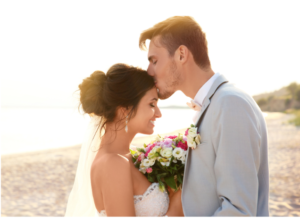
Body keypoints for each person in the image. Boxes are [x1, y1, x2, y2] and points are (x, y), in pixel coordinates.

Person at [139, 16, 269, 216]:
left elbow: (238, 211)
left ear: (181, 54)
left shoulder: (230, 104)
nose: (149, 71)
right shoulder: (216, 102)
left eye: (154, 61)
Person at [65, 63, 183, 216]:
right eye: (152, 104)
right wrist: (174, 211)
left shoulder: (129, 157)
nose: (158, 113)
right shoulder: (113, 163)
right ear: (124, 109)